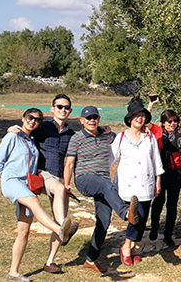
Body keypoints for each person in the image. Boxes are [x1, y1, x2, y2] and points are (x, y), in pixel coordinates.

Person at [0, 108, 74, 282]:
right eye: (30, 117)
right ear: (23, 118)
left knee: (24, 230)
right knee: (34, 202)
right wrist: (7, 176)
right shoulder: (12, 136)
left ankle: (13, 272)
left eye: (37, 120)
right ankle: (60, 231)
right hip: (13, 181)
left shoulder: (31, 140)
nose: (33, 121)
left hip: (26, 185)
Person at [7, 94, 79, 274]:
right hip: (39, 176)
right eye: (59, 106)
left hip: (59, 179)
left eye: (66, 107)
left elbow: (71, 160)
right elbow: (24, 132)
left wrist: (105, 131)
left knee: (60, 215)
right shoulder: (42, 126)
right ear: (52, 108)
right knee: (25, 228)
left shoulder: (71, 134)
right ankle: (63, 229)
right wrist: (11, 130)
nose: (63, 110)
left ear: (70, 111)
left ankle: (50, 261)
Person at [64, 106, 140, 274]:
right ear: (81, 121)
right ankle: (126, 214)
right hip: (84, 179)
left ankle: (90, 259)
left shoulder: (108, 135)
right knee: (107, 185)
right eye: (88, 117)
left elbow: (127, 138)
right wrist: (66, 183)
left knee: (104, 222)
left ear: (98, 119)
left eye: (95, 117)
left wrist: (143, 129)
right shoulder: (76, 139)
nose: (92, 120)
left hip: (103, 183)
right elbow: (69, 163)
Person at [111, 100, 164, 266]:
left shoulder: (149, 138)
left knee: (142, 217)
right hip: (127, 185)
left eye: (142, 116)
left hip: (146, 183)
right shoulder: (121, 138)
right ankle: (126, 247)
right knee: (136, 217)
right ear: (129, 119)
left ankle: (132, 248)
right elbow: (109, 158)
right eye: (136, 116)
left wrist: (158, 182)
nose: (139, 119)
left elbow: (156, 161)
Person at [146, 104, 181, 247]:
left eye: (175, 121)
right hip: (160, 174)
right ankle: (155, 227)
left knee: (172, 205)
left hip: (175, 173)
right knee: (158, 202)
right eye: (169, 121)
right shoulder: (156, 131)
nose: (173, 124)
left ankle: (168, 235)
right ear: (163, 123)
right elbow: (144, 120)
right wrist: (150, 105)